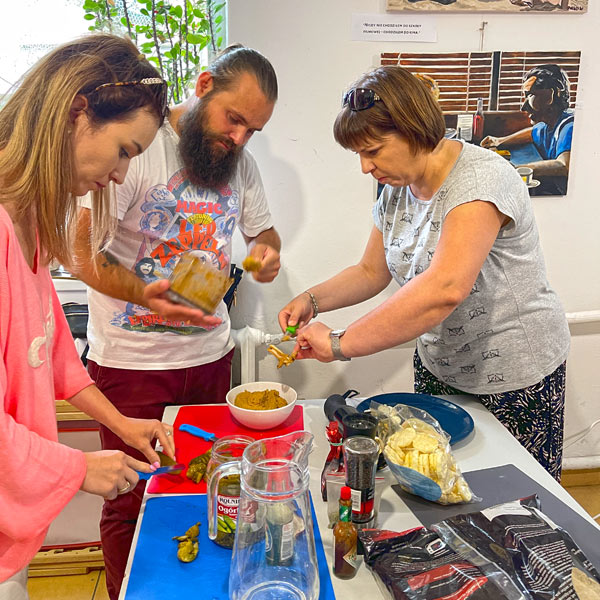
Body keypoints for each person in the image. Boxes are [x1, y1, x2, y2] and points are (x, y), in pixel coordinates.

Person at [280, 66, 570, 483]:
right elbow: (370, 270)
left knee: (514, 502)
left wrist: (340, 344)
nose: (365, 166)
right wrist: (311, 299)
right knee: (441, 487)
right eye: (359, 154)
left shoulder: (480, 179)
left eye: (374, 150)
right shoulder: (397, 187)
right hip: (441, 367)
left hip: (513, 377)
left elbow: (444, 289)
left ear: (414, 130)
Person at [70, 44, 281, 599]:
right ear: (204, 83)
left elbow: (263, 236)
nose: (238, 138)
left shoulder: (243, 166)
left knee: (208, 490)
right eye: (234, 118)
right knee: (131, 502)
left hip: (211, 360)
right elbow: (80, 250)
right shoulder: (136, 150)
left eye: (252, 130)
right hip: (132, 366)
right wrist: (150, 296)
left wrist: (265, 254)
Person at [0, 34, 176, 598]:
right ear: (78, 111)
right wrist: (77, 469)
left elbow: (53, 357)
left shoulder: (32, 225)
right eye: (124, 150)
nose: (123, 174)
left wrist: (122, 427)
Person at [481, 64, 574, 194]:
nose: (524, 107)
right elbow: (532, 133)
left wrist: (518, 169)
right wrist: (499, 141)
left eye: (530, 95)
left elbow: (564, 165)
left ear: (550, 97)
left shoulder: (569, 126)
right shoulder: (547, 124)